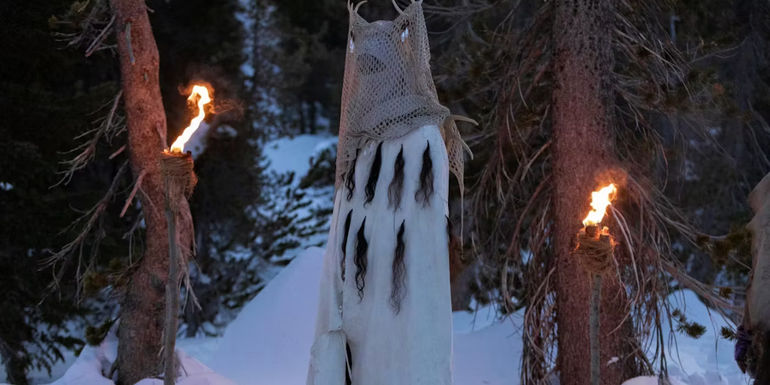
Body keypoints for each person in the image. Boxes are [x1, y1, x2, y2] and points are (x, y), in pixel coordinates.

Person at [307, 1, 472, 384]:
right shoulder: (362, 144)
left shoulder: (424, 137)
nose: (367, 78)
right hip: (359, 306)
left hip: (404, 311)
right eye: (363, 69)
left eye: (376, 68)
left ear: (397, 69)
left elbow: (426, 247)